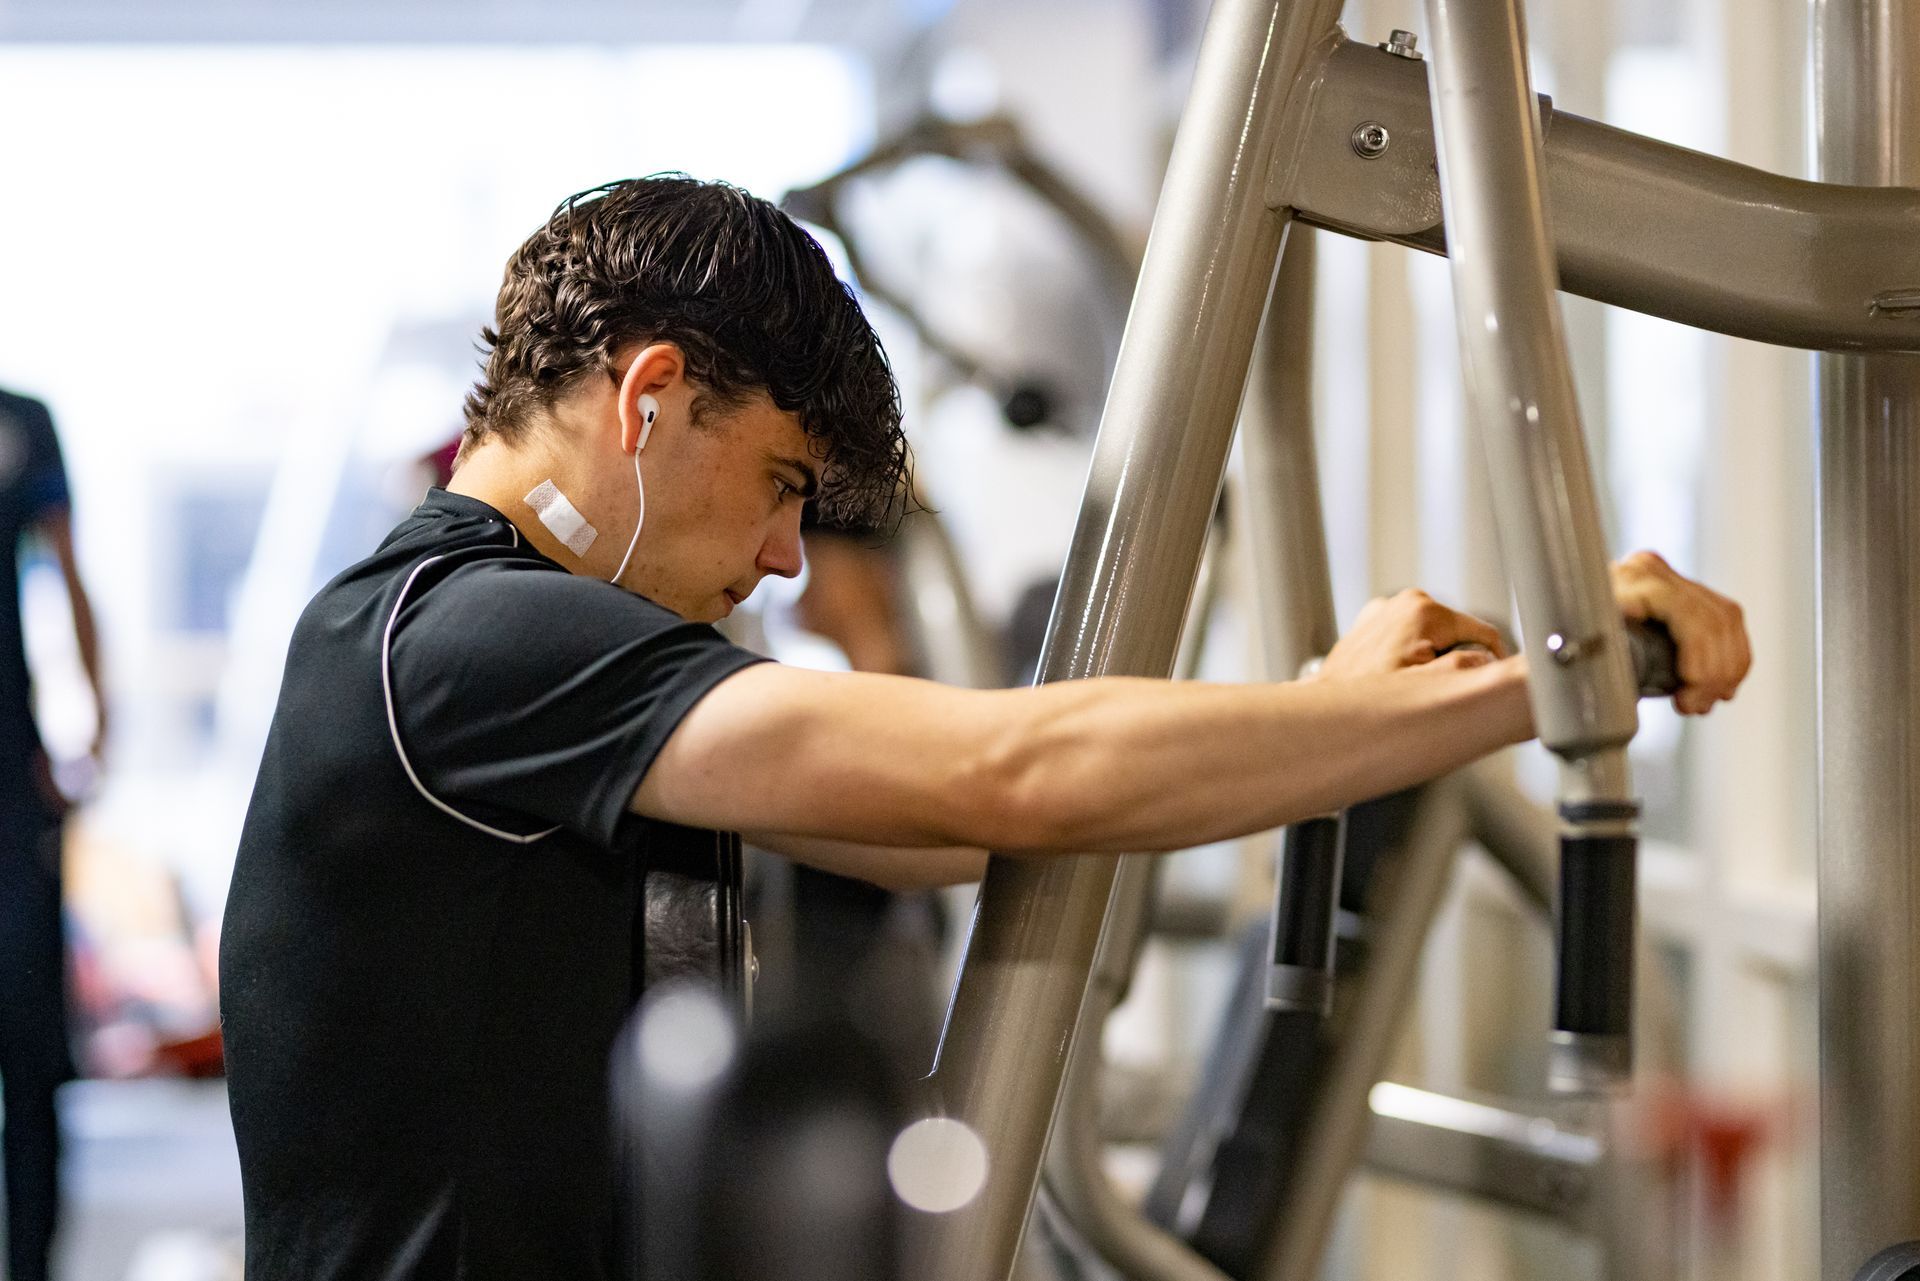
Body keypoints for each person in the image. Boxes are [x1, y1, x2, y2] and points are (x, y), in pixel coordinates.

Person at [218, 176, 1751, 1281]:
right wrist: (1540, 675)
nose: (783, 559)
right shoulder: (470, 636)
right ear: (653, 397)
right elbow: (1011, 773)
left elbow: (948, 829)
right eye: (776, 484)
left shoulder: (477, 637)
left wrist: (1347, 712)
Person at [0, 386, 106, 1281]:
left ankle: (31, 1266)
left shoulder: (19, 422)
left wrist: (94, 726)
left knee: (32, 1059)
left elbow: (67, 570)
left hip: (11, 788)